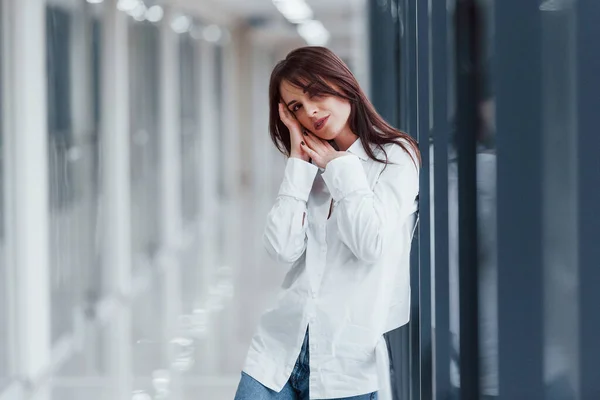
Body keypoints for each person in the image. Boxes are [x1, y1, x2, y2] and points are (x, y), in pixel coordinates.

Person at [234, 46, 421, 400]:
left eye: (316, 93)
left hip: (347, 364)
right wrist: (298, 166)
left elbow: (371, 244)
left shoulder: (396, 157)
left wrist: (340, 167)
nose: (311, 111)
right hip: (277, 352)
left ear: (343, 83)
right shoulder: (309, 168)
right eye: (295, 108)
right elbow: (280, 249)